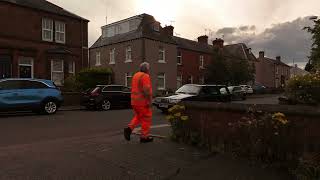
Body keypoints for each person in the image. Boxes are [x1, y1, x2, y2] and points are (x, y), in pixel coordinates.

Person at [124, 62, 153, 143]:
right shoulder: (145, 76)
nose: (149, 70)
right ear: (146, 69)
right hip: (143, 102)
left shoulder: (136, 75)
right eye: (148, 68)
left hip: (134, 101)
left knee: (138, 116)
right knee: (146, 118)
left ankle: (129, 129)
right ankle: (144, 137)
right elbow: (146, 90)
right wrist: (149, 101)